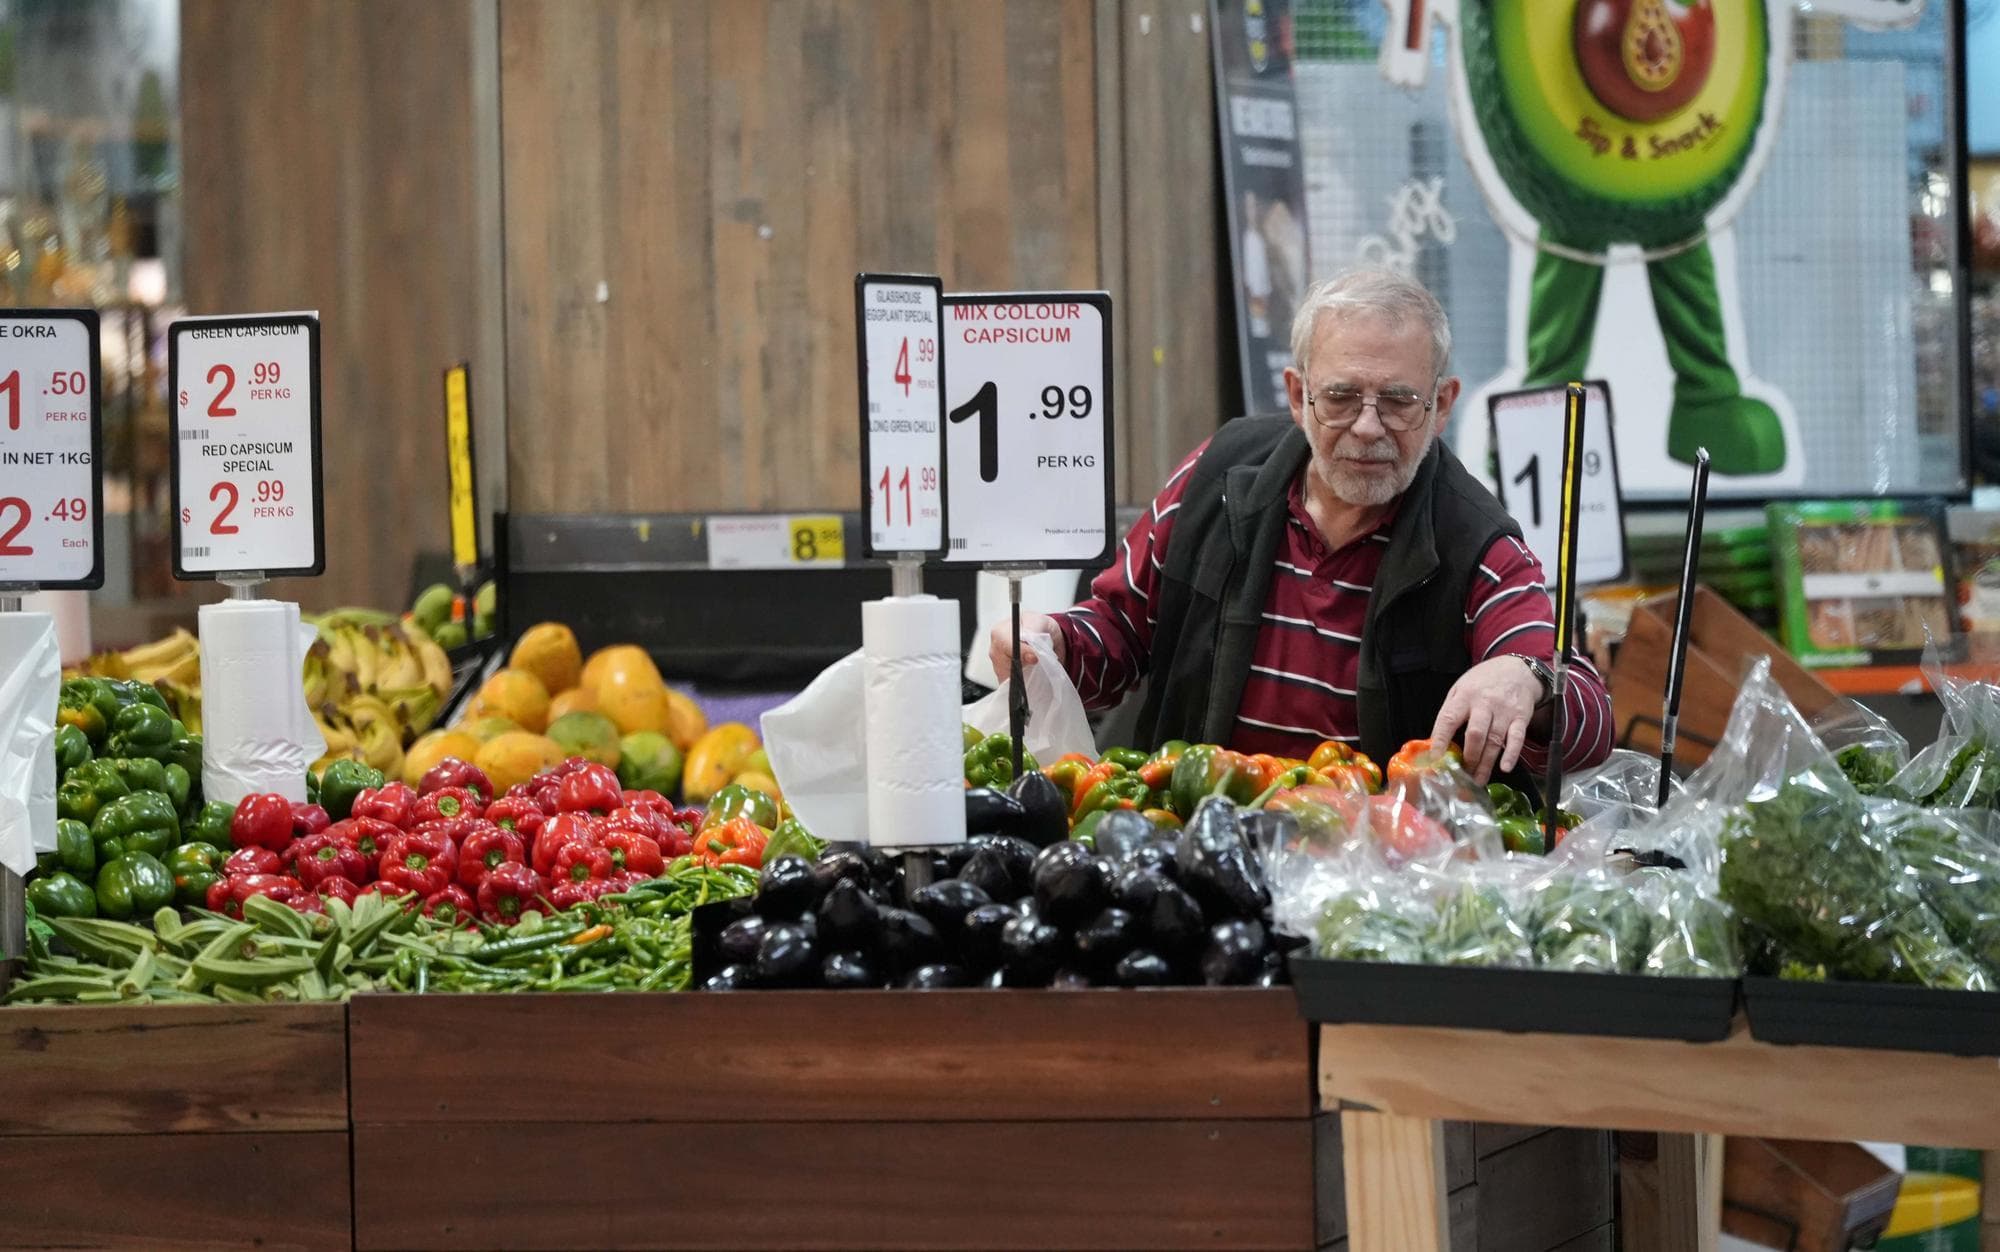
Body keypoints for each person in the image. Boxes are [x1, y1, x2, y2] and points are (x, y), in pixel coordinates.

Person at [987, 268, 1613, 785]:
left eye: (1398, 400)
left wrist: (1529, 678)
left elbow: (1590, 713)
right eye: (1341, 397)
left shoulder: (1474, 544)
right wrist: (1055, 645)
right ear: (1296, 394)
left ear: (1442, 404)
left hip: (1374, 875)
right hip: (1190, 839)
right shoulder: (1219, 479)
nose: (1368, 427)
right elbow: (1122, 630)